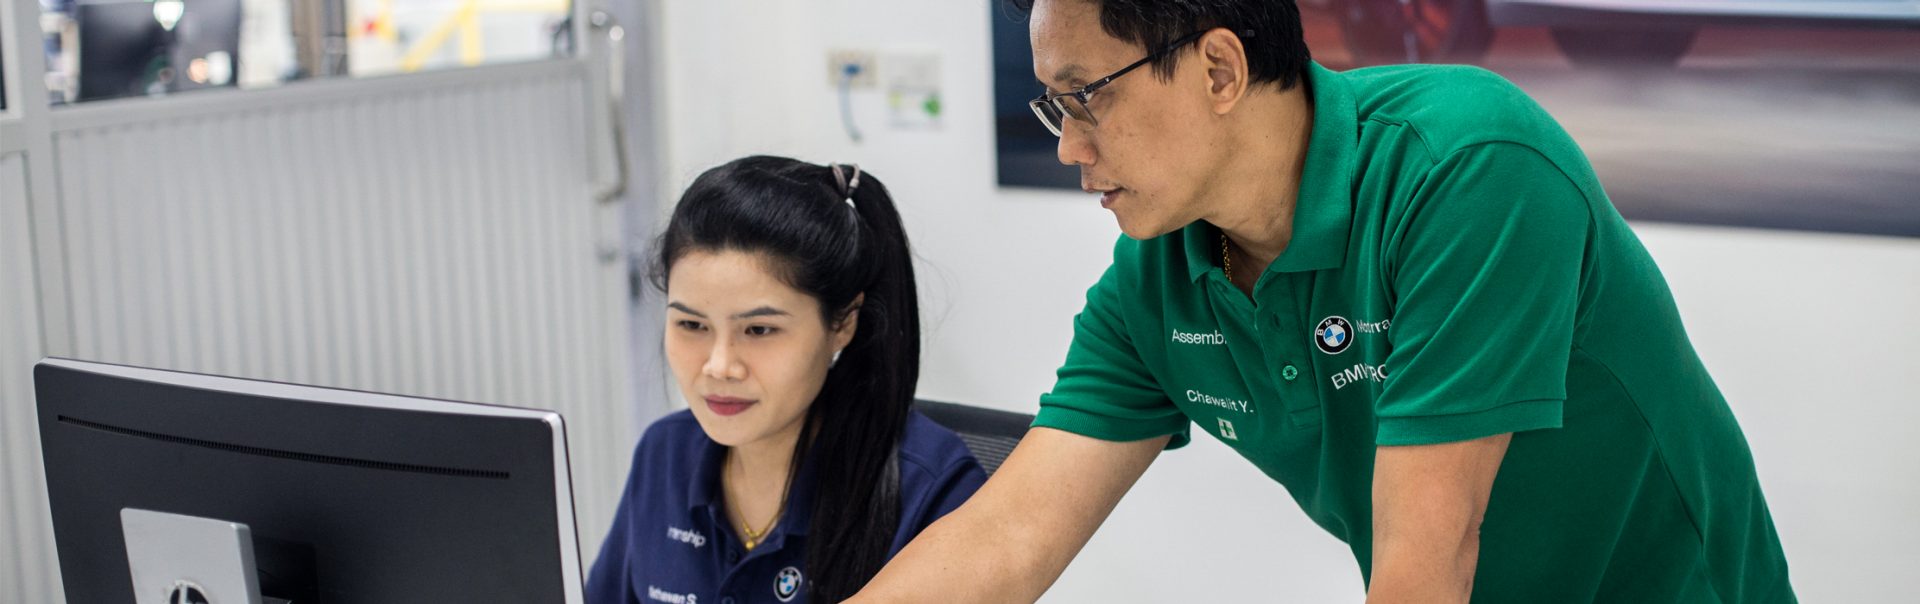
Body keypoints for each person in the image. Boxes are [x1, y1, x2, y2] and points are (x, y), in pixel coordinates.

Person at [850, 1, 1793, 602]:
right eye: (1052, 109)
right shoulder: (1158, 280)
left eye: (1085, 96)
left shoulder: (1466, 171)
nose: (1069, 147)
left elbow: (1432, 546)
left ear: (1219, 70)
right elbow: (1008, 538)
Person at [588, 156, 987, 604]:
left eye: (759, 330)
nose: (719, 366)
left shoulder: (930, 487)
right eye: (692, 326)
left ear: (842, 323)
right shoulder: (664, 453)